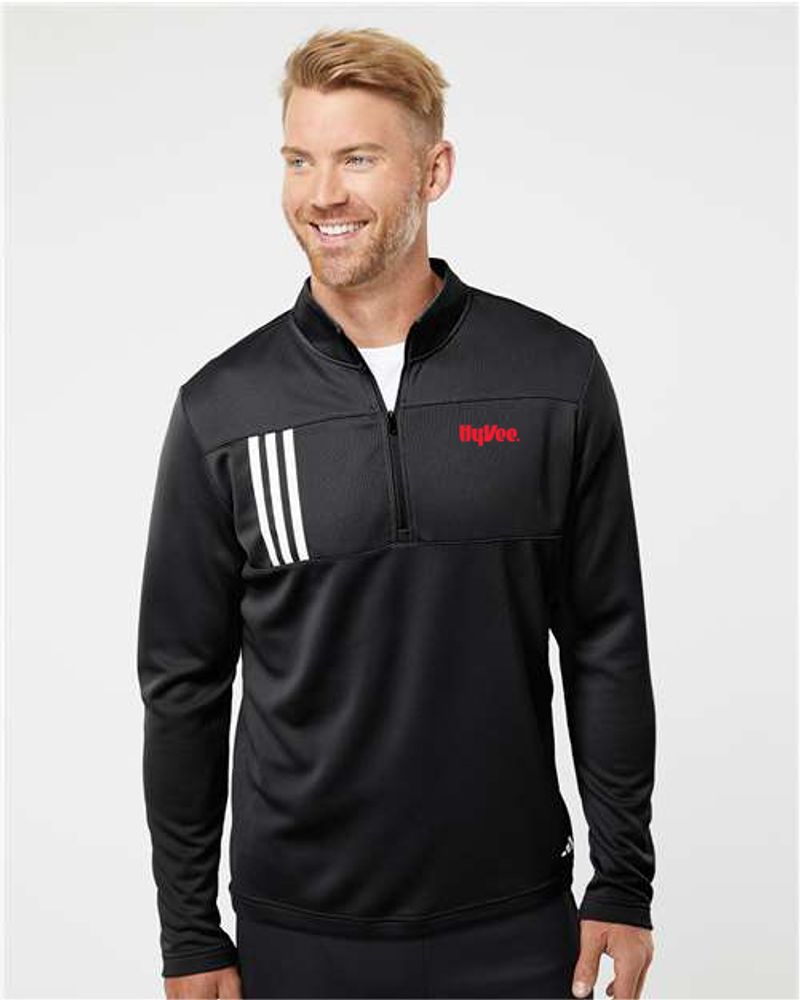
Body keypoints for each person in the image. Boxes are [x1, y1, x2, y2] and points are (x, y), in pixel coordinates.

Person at [136, 26, 657, 1000]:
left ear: (434, 170)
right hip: (298, 934)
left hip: (514, 927)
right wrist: (190, 933)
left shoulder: (554, 377)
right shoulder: (223, 410)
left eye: (357, 158)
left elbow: (604, 641)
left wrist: (622, 880)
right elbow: (183, 686)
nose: (321, 193)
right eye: (299, 160)